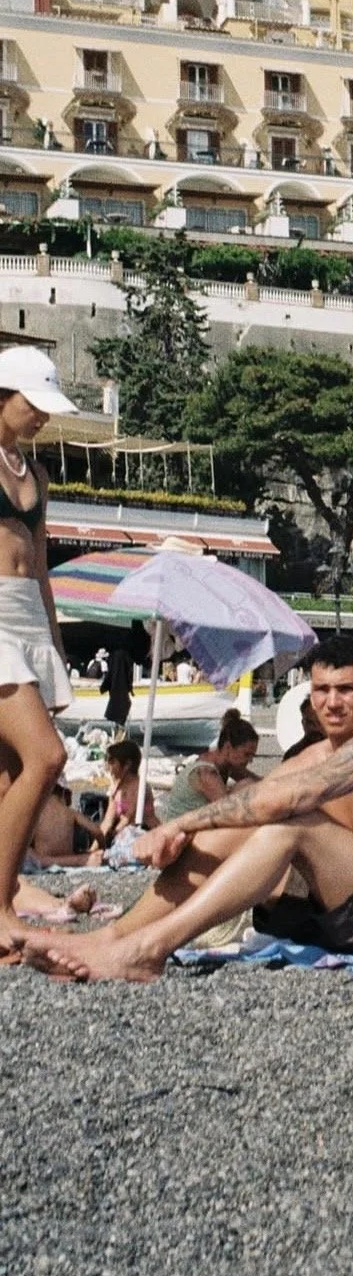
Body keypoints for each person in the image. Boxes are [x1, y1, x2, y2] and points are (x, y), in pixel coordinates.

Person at [22, 636, 353, 983]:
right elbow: (247, 804)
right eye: (322, 690)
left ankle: (149, 950)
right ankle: (112, 936)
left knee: (290, 826)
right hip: (348, 913)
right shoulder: (321, 753)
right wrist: (182, 836)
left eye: (345, 689)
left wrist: (178, 822)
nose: (332, 702)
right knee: (229, 829)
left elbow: (281, 803)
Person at [0, 346, 74, 956]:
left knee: (7, 775)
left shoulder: (35, 472)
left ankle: (8, 892)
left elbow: (42, 564)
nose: (42, 418)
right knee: (45, 756)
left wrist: (56, 644)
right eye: (34, 405)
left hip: (26, 613)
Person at [162, 709, 260, 821]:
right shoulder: (206, 772)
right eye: (247, 754)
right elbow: (229, 813)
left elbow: (261, 783)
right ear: (228, 747)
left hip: (195, 827)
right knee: (246, 786)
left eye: (252, 756)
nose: (250, 760)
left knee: (249, 784)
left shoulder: (227, 765)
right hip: (178, 833)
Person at [281, 695, 324, 761]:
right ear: (303, 723)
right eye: (310, 722)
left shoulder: (341, 753)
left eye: (320, 722)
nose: (315, 727)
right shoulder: (293, 755)